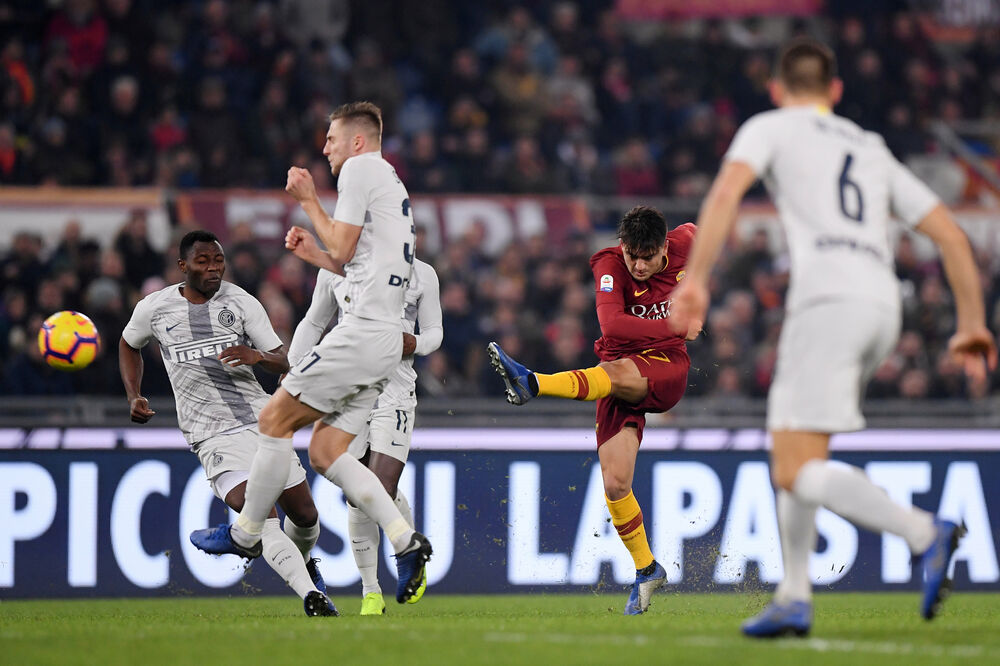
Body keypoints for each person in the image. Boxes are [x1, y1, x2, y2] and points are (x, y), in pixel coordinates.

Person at [668, 38, 998, 637]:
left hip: (826, 302)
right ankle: (794, 596)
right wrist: (972, 325)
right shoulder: (868, 146)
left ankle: (926, 533)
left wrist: (695, 282)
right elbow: (951, 236)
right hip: (881, 306)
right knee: (797, 452)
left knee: (792, 468)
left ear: (775, 88)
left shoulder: (769, 126)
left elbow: (724, 195)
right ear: (836, 91)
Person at [190, 101, 433, 605]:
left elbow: (343, 248)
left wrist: (307, 200)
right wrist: (313, 255)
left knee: (274, 419)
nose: (325, 148)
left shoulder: (362, 170)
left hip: (363, 333)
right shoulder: (390, 183)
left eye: (332, 139)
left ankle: (246, 532)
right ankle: (406, 541)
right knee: (325, 453)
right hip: (384, 341)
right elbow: (355, 263)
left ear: (358, 142)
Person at [488, 205, 701, 615]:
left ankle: (532, 383)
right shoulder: (607, 263)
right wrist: (678, 323)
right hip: (615, 379)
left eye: (647, 256)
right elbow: (614, 329)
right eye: (631, 254)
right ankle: (647, 568)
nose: (638, 265)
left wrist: (700, 300)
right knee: (616, 483)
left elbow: (706, 255)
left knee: (614, 369)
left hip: (665, 368)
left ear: (664, 249)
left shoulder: (687, 242)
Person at [119, 230, 337, 616]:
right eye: (203, 262)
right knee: (260, 515)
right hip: (211, 433)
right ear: (183, 266)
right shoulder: (154, 308)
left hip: (263, 422)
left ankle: (302, 564)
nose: (214, 268)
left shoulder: (241, 302)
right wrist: (133, 393)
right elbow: (128, 343)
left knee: (306, 516)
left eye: (218, 261)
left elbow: (283, 358)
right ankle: (311, 596)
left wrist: (255, 355)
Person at [286, 227, 443, 615]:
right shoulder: (335, 270)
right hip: (350, 386)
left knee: (380, 485)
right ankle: (371, 590)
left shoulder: (422, 274)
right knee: (359, 493)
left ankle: (407, 552)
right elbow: (312, 322)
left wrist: (416, 344)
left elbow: (435, 333)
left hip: (396, 390)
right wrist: (296, 369)